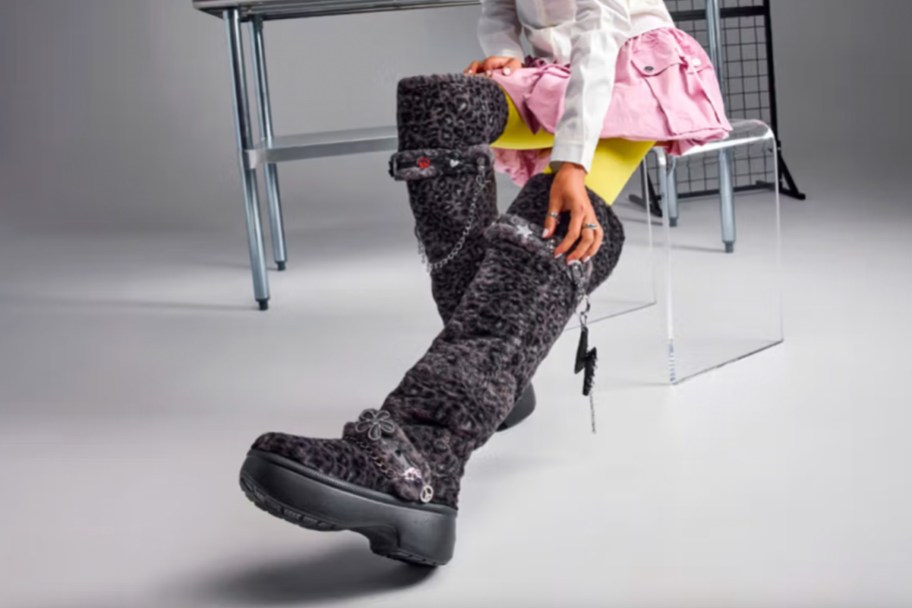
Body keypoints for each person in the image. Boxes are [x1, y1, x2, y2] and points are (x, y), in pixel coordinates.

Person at [237, 0, 731, 568]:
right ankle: (495, 378)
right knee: (436, 108)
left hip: (626, 67)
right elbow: (501, 5)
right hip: (554, 70)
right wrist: (507, 53)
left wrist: (572, 163)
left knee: (555, 210)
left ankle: (426, 454)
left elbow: (600, 32)